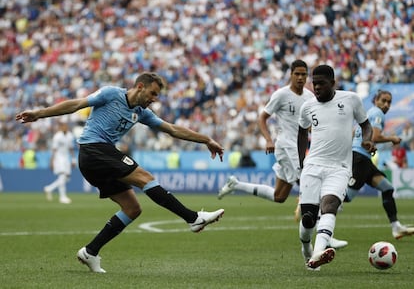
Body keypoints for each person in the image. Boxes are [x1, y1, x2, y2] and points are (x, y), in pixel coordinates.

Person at [16, 72, 225, 273]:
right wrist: (39, 113)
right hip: (93, 149)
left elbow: (172, 129)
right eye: (152, 93)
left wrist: (206, 139)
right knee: (145, 178)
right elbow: (76, 104)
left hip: (99, 159)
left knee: (132, 208)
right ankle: (193, 218)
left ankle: (90, 251)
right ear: (140, 86)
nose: (154, 99)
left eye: (157, 96)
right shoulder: (110, 94)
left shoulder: (142, 113)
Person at [218, 60, 347, 249]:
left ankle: (236, 184)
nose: (301, 78)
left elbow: (309, 124)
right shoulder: (281, 95)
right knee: (312, 184)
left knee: (279, 196)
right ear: (291, 74)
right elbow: (262, 117)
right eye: (298, 74)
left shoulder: (310, 97)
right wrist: (268, 139)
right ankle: (324, 234)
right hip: (286, 146)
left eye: (304, 75)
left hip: (299, 147)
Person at [297, 65, 375, 270]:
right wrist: (300, 163)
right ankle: (306, 248)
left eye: (321, 83)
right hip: (313, 166)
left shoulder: (351, 99)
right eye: (314, 83)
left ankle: (317, 254)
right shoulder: (308, 107)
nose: (316, 87)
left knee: (329, 205)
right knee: (308, 219)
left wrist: (367, 140)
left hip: (339, 167)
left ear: (333, 83)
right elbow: (302, 132)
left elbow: (366, 125)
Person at [345, 89, 414, 239]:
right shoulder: (377, 113)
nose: (386, 104)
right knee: (346, 197)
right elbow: (375, 136)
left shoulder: (368, 113)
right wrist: (393, 139)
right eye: (383, 100)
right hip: (360, 158)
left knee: (387, 188)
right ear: (376, 100)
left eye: (389, 102)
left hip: (363, 157)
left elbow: (355, 133)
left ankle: (396, 227)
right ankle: (314, 206)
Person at [43, 120, 75, 204]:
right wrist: (52, 161)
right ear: (60, 127)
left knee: (67, 178)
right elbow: (54, 150)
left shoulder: (70, 135)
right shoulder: (57, 136)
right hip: (59, 158)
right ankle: (62, 197)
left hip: (66, 157)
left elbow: (71, 148)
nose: (65, 127)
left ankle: (49, 188)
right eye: (63, 126)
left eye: (66, 125)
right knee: (62, 176)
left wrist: (73, 159)